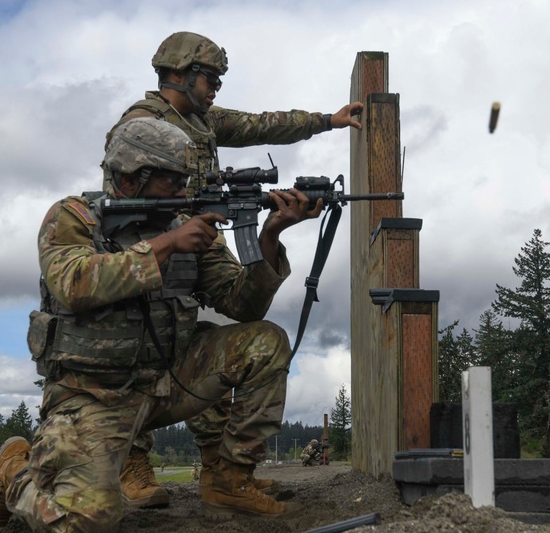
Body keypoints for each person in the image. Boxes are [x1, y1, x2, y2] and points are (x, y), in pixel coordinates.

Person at [0, 117, 322, 533]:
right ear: (132, 177)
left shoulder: (190, 225)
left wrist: (269, 238)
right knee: (91, 523)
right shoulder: (74, 217)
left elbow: (242, 304)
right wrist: (166, 245)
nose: (182, 193)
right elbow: (74, 284)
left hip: (168, 380)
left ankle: (230, 482)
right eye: (171, 182)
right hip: (94, 395)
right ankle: (13, 475)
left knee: (265, 343)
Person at [104, 30, 363, 507]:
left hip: (198, 234)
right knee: (137, 330)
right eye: (210, 78)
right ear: (178, 74)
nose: (216, 87)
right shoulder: (140, 126)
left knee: (222, 327)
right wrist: (170, 236)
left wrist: (326, 121)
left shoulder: (201, 119)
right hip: (152, 241)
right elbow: (128, 201)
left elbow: (261, 125)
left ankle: (223, 472)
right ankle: (132, 460)